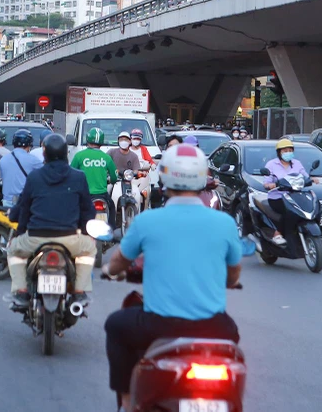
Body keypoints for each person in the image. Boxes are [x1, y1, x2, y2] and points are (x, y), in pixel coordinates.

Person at [103, 143, 242, 410]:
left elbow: (119, 260)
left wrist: (110, 271)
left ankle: (127, 401)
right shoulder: (224, 223)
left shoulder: (148, 221)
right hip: (214, 325)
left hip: (159, 324)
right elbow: (233, 272)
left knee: (116, 326)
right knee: (233, 341)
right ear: (203, 178)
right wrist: (230, 281)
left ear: (165, 178)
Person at [7, 133, 97, 309]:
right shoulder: (79, 177)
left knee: (13, 250)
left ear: (44, 154)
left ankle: (21, 291)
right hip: (69, 238)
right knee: (89, 249)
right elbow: (87, 211)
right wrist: (85, 233)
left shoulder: (34, 177)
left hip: (35, 238)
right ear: (66, 153)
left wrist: (19, 231)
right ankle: (79, 292)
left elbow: (24, 210)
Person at [261, 138, 310, 246]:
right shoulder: (271, 164)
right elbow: (266, 182)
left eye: (290, 150)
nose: (288, 153)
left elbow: (305, 175)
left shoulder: (297, 163)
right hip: (277, 197)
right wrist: (270, 185)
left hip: (295, 195)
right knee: (289, 212)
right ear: (279, 153)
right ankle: (278, 234)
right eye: (285, 151)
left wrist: (311, 179)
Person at [71, 127, 119, 229]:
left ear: (87, 139)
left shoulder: (79, 156)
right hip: (102, 195)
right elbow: (115, 177)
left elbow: (70, 173)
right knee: (111, 207)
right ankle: (111, 232)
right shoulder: (106, 157)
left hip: (84, 195)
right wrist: (109, 180)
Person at [0, 128, 43, 207]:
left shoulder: (3, 160)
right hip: (24, 203)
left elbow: (3, 179)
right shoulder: (34, 160)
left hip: (6, 203)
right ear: (29, 143)